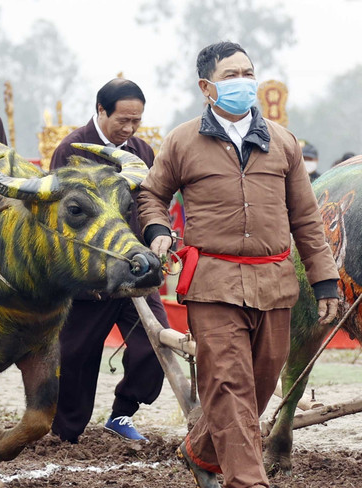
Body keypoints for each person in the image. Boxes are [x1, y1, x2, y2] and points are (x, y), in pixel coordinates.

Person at [138, 41, 339, 488]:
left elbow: (306, 218)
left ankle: (200, 449)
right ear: (207, 87)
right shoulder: (182, 140)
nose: (244, 82)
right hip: (213, 281)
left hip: (274, 282)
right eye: (232, 76)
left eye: (248, 72)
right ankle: (248, 481)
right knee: (230, 386)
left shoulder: (283, 142)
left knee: (260, 385)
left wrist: (324, 281)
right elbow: (152, 194)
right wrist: (157, 230)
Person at [48, 78, 169, 442]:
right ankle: (63, 434)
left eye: (137, 121)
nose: (130, 129)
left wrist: (157, 235)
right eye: (123, 120)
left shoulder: (142, 151)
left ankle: (122, 414)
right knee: (75, 359)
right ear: (101, 110)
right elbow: (59, 219)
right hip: (90, 280)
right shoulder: (71, 150)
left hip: (137, 272)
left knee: (156, 347)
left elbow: (150, 203)